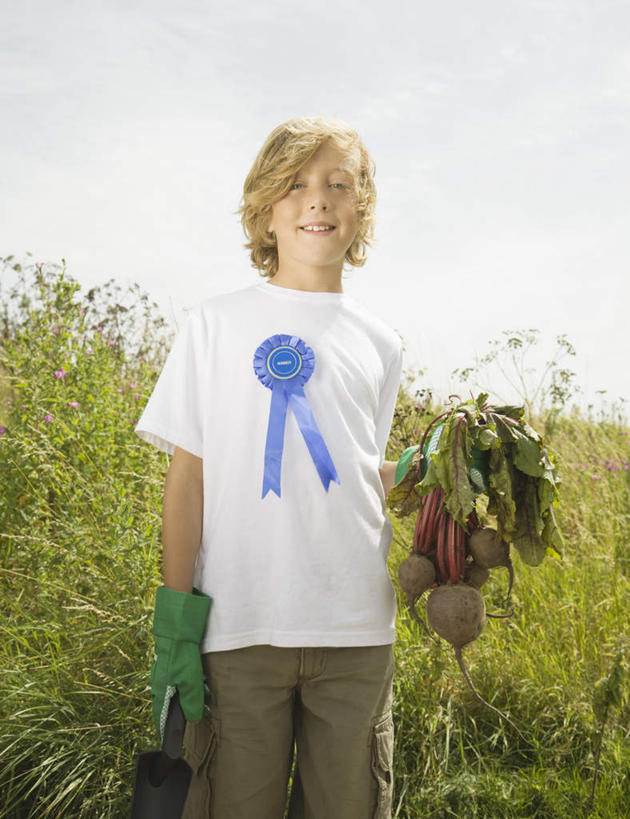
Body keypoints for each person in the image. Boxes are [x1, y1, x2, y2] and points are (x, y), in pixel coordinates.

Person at [135, 115, 404, 818]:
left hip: (355, 632)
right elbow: (188, 476)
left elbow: (357, 470)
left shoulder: (382, 342)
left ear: (361, 208)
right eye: (295, 184)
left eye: (338, 184)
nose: (317, 199)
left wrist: (427, 478)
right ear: (264, 211)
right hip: (240, 629)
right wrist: (177, 622)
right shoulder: (215, 324)